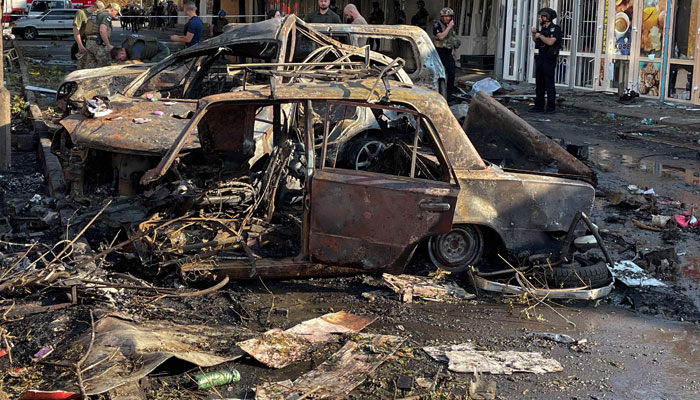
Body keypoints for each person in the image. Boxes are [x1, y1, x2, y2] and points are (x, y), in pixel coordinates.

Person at [530, 7, 562, 113]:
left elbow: (550, 42)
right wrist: (534, 34)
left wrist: (540, 36)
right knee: (539, 83)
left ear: (546, 17)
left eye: (541, 17)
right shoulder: (543, 29)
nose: (539, 18)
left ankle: (550, 107)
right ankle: (539, 105)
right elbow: (536, 41)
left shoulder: (555, 29)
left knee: (549, 83)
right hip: (541, 57)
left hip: (549, 59)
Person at [81, 3, 121, 69]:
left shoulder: (97, 13)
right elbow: (102, 30)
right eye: (117, 13)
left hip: (89, 42)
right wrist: (108, 45)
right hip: (97, 44)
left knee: (90, 67)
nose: (116, 15)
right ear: (112, 10)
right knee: (105, 66)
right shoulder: (107, 15)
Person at [433, 7, 460, 102]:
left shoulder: (450, 25)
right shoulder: (437, 24)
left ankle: (449, 95)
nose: (448, 18)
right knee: (439, 74)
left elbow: (453, 39)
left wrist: (455, 52)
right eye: (446, 16)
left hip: (448, 52)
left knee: (452, 73)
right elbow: (440, 37)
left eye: (449, 16)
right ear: (442, 16)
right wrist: (448, 27)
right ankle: (438, 94)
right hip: (439, 52)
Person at [72, 1, 104, 66]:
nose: (98, 12)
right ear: (94, 7)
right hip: (82, 41)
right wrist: (80, 45)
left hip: (91, 42)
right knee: (82, 64)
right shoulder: (81, 13)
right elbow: (76, 30)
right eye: (98, 10)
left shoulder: (95, 15)